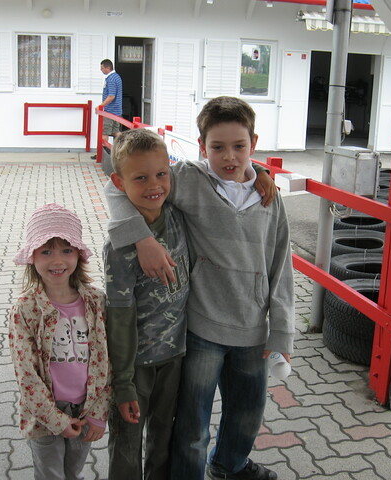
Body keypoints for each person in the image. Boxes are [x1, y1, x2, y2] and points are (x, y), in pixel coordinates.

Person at [104, 96, 295, 480]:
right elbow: (120, 188)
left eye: (239, 146)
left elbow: (281, 266)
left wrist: (282, 331)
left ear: (254, 144)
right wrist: (142, 238)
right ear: (202, 146)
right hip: (202, 329)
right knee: (192, 424)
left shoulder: (268, 197)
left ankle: (230, 466)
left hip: (253, 330)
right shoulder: (188, 180)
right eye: (217, 147)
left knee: (247, 414)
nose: (229, 156)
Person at [103, 128, 190, 480]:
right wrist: (123, 381)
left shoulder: (178, 216)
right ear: (119, 183)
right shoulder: (120, 247)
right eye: (140, 178)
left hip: (175, 357)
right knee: (127, 444)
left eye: (161, 174)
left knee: (163, 439)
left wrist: (257, 172)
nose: (154, 185)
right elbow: (119, 317)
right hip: (135, 366)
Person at [8, 203, 112, 480]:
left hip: (86, 409)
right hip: (44, 416)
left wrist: (99, 412)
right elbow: (26, 374)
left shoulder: (96, 301)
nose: (57, 260)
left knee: (73, 472)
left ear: (78, 253)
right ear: (32, 255)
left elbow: (107, 359)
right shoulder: (26, 309)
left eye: (66, 250)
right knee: (51, 475)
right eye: (46, 251)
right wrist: (56, 421)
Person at [92, 59, 123, 159]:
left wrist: (101, 106)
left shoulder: (111, 79)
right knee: (115, 132)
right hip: (117, 110)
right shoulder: (117, 77)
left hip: (110, 110)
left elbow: (111, 96)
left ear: (108, 68)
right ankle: (122, 149)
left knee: (104, 132)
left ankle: (103, 154)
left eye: (102, 68)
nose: (101, 70)